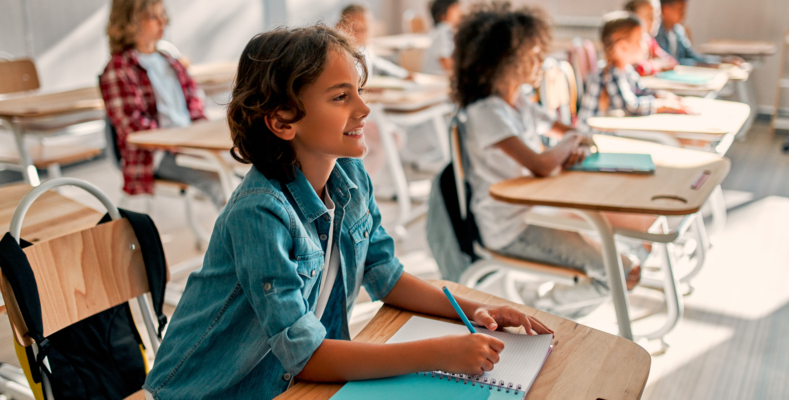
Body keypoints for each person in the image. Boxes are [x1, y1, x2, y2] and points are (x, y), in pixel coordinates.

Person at [143, 25, 552, 399]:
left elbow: (385, 275)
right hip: (210, 392)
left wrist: (471, 311)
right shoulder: (259, 214)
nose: (363, 108)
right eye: (341, 96)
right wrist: (438, 353)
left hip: (287, 380)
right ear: (283, 119)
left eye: (359, 91)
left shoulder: (349, 174)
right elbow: (306, 356)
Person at [450, 3, 654, 318]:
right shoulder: (486, 113)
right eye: (531, 55)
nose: (540, 61)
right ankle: (542, 310)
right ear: (503, 62)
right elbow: (542, 163)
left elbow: (569, 132)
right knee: (622, 270)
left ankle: (542, 305)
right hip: (511, 228)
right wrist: (570, 143)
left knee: (624, 256)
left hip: (539, 211)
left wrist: (572, 141)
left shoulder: (519, 103)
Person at [99, 0, 225, 208]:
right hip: (157, 155)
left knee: (244, 170)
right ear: (130, 22)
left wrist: (200, 133)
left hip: (189, 143)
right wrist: (181, 142)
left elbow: (194, 101)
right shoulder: (118, 69)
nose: (163, 21)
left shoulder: (169, 61)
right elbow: (133, 126)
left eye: (163, 15)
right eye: (153, 16)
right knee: (218, 181)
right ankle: (239, 238)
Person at [577, 13, 690, 133]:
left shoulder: (626, 69)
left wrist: (664, 96)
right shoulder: (611, 72)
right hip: (591, 137)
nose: (646, 45)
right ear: (623, 46)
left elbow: (642, 90)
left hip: (608, 131)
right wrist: (662, 105)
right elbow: (631, 107)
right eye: (640, 39)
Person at [336, 4, 406, 179]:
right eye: (355, 29)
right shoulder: (340, 54)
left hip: (367, 113)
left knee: (394, 139)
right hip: (347, 117)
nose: (360, 34)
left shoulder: (365, 50)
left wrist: (404, 75)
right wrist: (364, 89)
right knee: (389, 140)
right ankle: (357, 183)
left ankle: (363, 182)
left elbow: (382, 65)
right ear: (341, 28)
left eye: (365, 29)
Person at [655, 0, 743, 67]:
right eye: (680, 10)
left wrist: (721, 60)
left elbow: (692, 55)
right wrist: (702, 64)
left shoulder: (678, 30)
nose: (683, 15)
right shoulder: (656, 32)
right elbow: (670, 61)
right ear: (665, 10)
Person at [624, 0, 678, 76]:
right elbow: (638, 69)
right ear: (633, 18)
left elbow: (671, 62)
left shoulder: (648, 40)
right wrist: (659, 65)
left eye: (657, 17)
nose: (655, 21)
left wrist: (652, 65)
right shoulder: (628, 42)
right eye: (649, 16)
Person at [422, 0, 462, 75]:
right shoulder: (444, 30)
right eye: (454, 8)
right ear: (442, 14)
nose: (459, 12)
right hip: (436, 77)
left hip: (433, 77)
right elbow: (446, 63)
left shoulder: (438, 29)